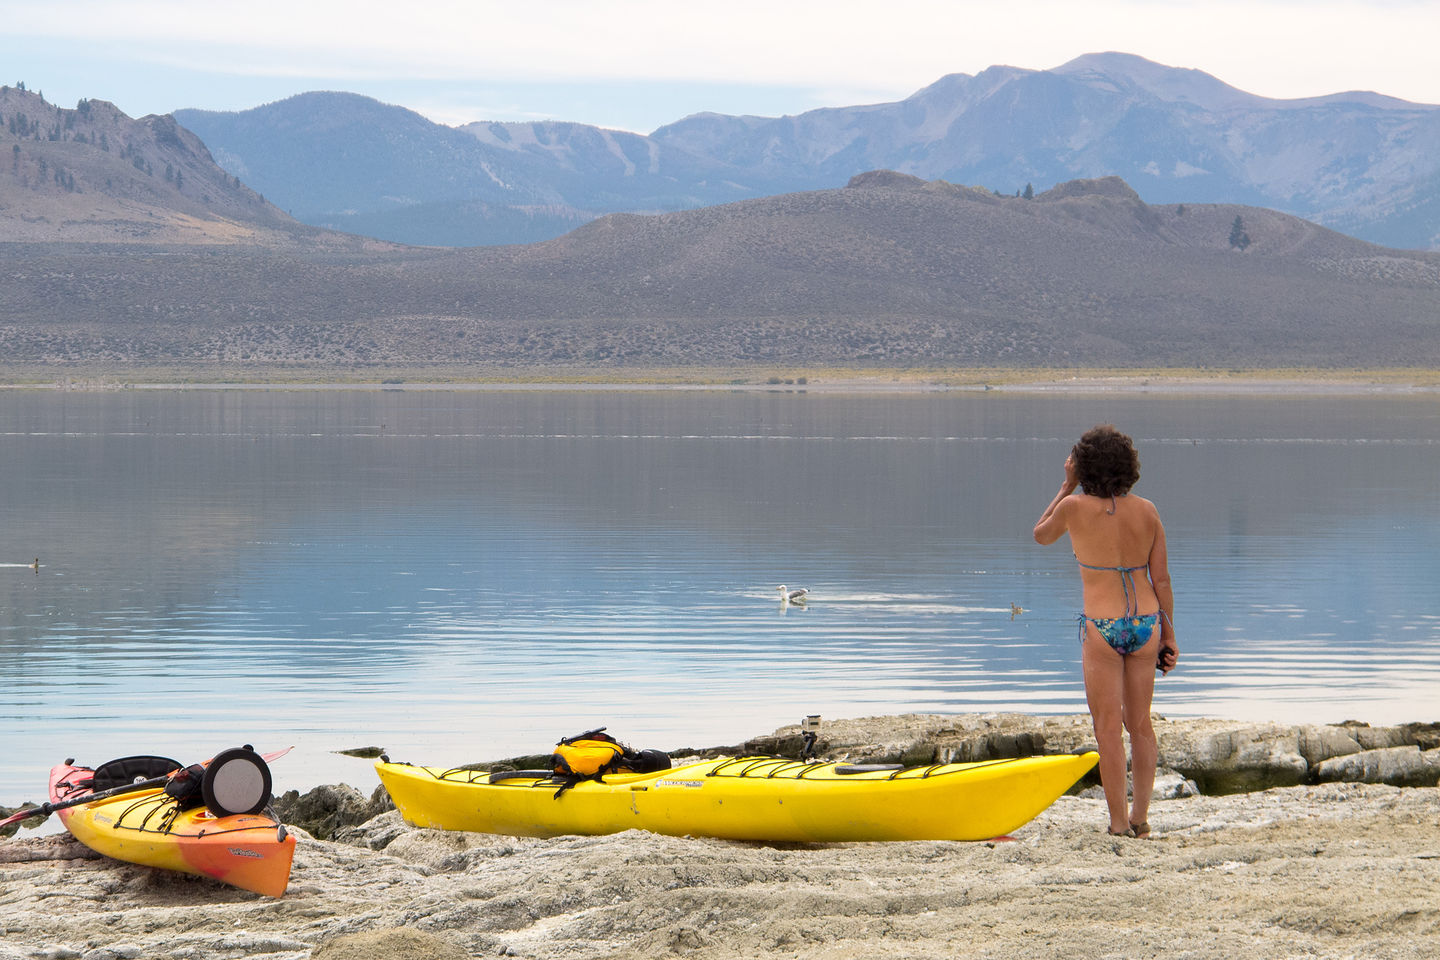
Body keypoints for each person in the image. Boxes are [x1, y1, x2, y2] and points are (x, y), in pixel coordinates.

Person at [1033, 424, 1177, 838]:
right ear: (1128, 465)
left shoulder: (1073, 507)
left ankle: (1118, 824)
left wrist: (1065, 485)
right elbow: (1162, 579)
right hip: (1147, 624)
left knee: (1107, 729)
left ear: (1083, 466)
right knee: (1141, 725)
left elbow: (1040, 536)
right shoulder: (1148, 510)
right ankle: (1141, 819)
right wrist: (1169, 636)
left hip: (1103, 627)